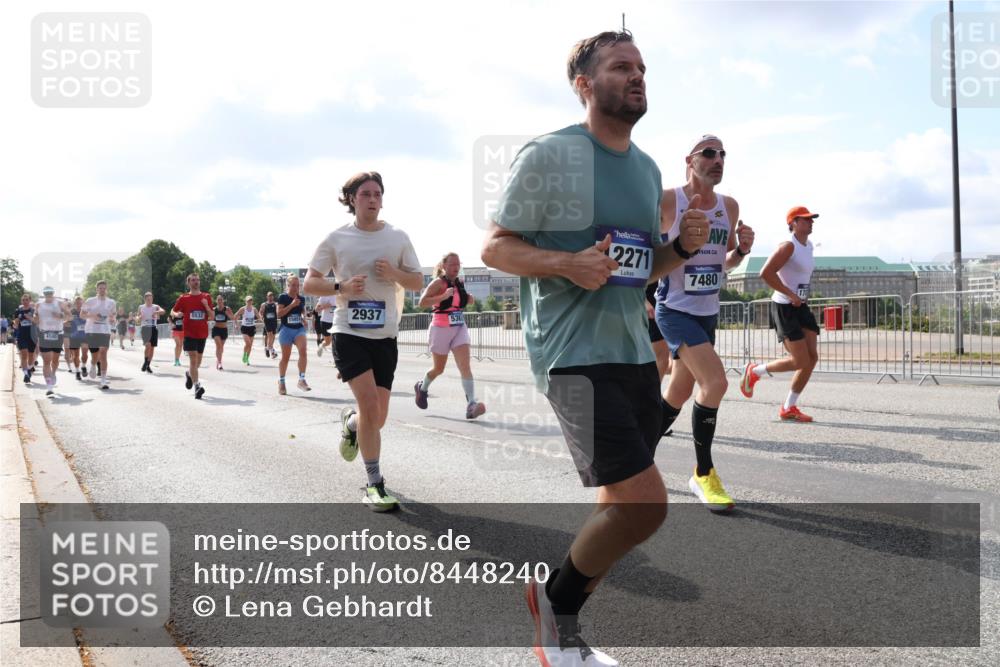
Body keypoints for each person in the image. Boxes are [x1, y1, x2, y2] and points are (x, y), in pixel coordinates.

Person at [481, 30, 709, 666]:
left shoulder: (647, 169)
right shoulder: (551, 154)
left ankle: (563, 634)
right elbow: (495, 247)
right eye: (619, 67)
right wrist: (564, 262)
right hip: (570, 354)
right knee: (646, 507)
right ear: (584, 84)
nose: (636, 76)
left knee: (618, 508)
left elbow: (641, 267)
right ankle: (555, 609)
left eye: (641, 67)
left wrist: (682, 250)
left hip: (634, 352)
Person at [304, 171, 423, 512]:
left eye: (377, 194)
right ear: (352, 199)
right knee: (371, 406)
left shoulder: (398, 237)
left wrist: (394, 275)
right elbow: (310, 283)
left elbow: (416, 280)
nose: (372, 199)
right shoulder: (337, 238)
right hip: (348, 332)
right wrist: (341, 288)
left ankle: (351, 423)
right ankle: (375, 483)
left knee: (377, 417)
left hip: (384, 335)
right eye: (366, 193)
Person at [654, 134, 754, 513]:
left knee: (678, 392)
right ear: (690, 161)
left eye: (722, 154)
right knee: (715, 382)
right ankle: (703, 472)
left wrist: (741, 250)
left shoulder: (729, 206)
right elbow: (649, 251)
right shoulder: (668, 200)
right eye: (708, 153)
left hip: (707, 312)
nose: (718, 159)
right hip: (675, 309)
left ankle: (638, 458)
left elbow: (722, 264)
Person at [740, 205, 820, 422]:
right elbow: (765, 273)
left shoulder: (809, 245)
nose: (811, 222)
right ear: (793, 223)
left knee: (812, 358)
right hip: (784, 306)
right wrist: (790, 293)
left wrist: (801, 295)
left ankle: (788, 407)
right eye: (806, 219)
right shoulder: (788, 246)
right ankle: (755, 371)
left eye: (812, 219)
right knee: (799, 360)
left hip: (800, 306)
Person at [414, 252, 487, 419]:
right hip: (440, 329)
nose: (456, 267)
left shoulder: (459, 283)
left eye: (458, 264)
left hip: (459, 327)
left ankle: (471, 405)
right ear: (444, 266)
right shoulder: (438, 283)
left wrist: (468, 299)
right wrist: (442, 296)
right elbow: (422, 303)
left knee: (465, 366)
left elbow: (459, 302)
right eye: (452, 264)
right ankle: (422, 387)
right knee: (438, 369)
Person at [171, 274, 210, 399]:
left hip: (202, 333)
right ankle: (197, 386)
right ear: (189, 283)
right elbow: (172, 311)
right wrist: (176, 314)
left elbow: (212, 316)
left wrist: (206, 306)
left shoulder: (206, 296)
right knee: (193, 360)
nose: (196, 282)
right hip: (189, 333)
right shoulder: (184, 298)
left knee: (197, 363)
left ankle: (189, 373)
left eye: (198, 280)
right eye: (193, 280)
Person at [275, 275, 311, 394]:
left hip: (298, 329)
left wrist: (304, 319)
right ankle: (281, 381)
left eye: (298, 285)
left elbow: (301, 312)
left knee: (303, 351)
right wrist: (291, 305)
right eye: (294, 285)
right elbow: (279, 314)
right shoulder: (283, 297)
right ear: (288, 286)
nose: (296, 287)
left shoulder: (302, 298)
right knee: (285, 358)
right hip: (286, 329)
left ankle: (301, 379)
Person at [81, 280, 117, 390]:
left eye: (104, 288)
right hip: (91, 330)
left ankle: (103, 380)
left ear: (106, 289)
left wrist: (112, 319)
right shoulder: (90, 301)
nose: (102, 290)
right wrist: (92, 316)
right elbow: (82, 315)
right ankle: (92, 365)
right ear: (97, 289)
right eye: (100, 288)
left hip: (105, 330)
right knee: (95, 355)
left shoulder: (111, 302)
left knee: (103, 354)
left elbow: (113, 316)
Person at [34, 287, 71, 395]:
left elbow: (70, 316)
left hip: (57, 334)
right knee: (46, 362)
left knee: (55, 361)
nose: (48, 295)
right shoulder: (39, 305)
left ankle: (53, 372)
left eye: (50, 293)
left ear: (53, 293)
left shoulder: (60, 304)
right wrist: (35, 318)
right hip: (44, 334)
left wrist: (61, 315)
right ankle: (49, 386)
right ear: (44, 294)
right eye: (46, 293)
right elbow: (36, 317)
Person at [138, 292, 165, 374]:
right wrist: (139, 317)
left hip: (153, 327)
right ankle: (145, 362)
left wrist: (157, 312)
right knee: (148, 345)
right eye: (148, 299)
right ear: (145, 299)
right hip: (145, 327)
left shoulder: (155, 306)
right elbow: (137, 317)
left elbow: (163, 311)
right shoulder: (141, 307)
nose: (149, 301)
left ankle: (148, 365)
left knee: (152, 348)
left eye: (151, 299)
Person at [14, 294, 37, 384]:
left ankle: (29, 368)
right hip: (22, 335)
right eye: (23, 300)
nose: (25, 301)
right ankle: (26, 374)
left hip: (31, 335)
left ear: (30, 301)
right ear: (21, 301)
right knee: (24, 355)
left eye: (27, 300)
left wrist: (30, 318)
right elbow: (15, 323)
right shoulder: (18, 311)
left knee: (31, 356)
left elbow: (36, 321)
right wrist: (16, 323)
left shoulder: (33, 310)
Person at [211, 294, 235, 371]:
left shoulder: (227, 309)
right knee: (219, 346)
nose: (220, 301)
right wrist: (211, 316)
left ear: (223, 301)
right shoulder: (214, 309)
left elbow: (233, 318)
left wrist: (228, 315)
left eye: (221, 300)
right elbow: (210, 318)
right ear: (216, 301)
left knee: (221, 347)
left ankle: (218, 360)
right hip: (216, 329)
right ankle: (219, 362)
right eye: (218, 300)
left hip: (224, 330)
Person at [67, 297, 87, 380]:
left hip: (84, 335)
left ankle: (83, 366)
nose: (78, 304)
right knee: (76, 355)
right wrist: (66, 322)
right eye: (77, 302)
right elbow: (66, 321)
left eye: (80, 302)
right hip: (74, 336)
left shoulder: (86, 311)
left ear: (83, 303)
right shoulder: (71, 312)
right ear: (74, 303)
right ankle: (78, 371)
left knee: (85, 353)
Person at [235, 295, 258, 365]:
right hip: (244, 327)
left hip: (252, 327)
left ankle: (247, 358)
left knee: (250, 345)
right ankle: (244, 355)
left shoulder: (254, 309)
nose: (249, 302)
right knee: (248, 343)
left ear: (252, 301)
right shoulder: (243, 309)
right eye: (248, 301)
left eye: (251, 300)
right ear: (246, 302)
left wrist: (262, 320)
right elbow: (235, 316)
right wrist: (236, 324)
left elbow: (258, 315)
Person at [259, 292, 279, 358]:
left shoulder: (275, 304)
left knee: (273, 337)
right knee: (270, 336)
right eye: (269, 296)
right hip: (267, 322)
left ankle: (268, 348)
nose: (270, 297)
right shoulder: (264, 304)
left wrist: (278, 313)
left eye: (271, 296)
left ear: (273, 297)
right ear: (267, 297)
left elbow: (278, 311)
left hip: (274, 322)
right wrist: (261, 317)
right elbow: (260, 312)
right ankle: (272, 351)